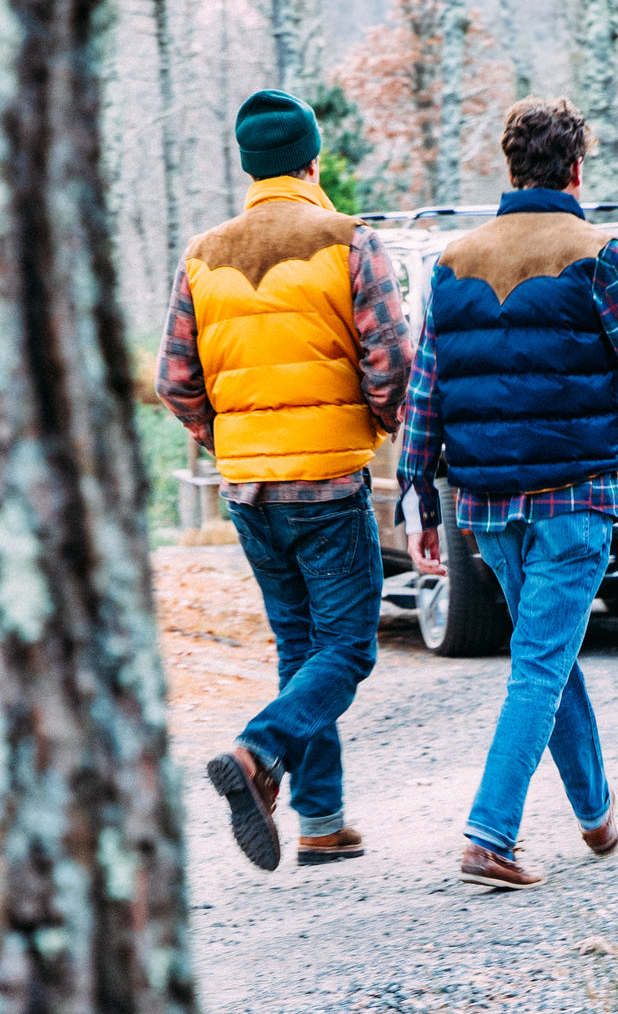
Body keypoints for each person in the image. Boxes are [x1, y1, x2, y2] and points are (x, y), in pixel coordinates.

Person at [396, 95, 618, 890]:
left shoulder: (452, 261)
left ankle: (596, 815)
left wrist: (416, 495)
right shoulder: (598, 253)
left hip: (485, 508)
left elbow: (426, 392)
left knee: (549, 655)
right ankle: (489, 835)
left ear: (510, 166)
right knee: (539, 664)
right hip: (574, 498)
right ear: (577, 168)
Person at [157, 89, 413, 872]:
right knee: (348, 649)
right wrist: (375, 422)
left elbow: (174, 379)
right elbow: (394, 361)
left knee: (301, 647)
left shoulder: (202, 255)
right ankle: (257, 750)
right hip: (328, 484)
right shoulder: (350, 241)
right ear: (311, 159)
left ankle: (323, 822)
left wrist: (224, 436)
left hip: (247, 490)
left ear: (249, 166)